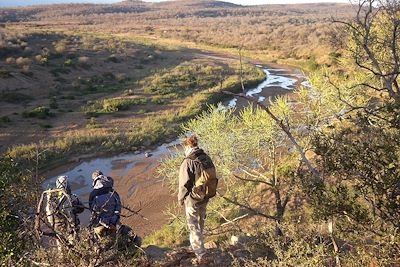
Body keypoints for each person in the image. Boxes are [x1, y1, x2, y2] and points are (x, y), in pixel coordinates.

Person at [178, 135, 217, 265]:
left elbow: (184, 184)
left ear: (187, 146)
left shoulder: (188, 161)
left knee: (193, 224)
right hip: (206, 195)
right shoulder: (205, 157)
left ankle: (200, 252)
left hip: (193, 199)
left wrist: (181, 199)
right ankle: (197, 246)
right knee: (200, 222)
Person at [45, 175, 84, 250]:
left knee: (61, 247)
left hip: (57, 227)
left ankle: (63, 260)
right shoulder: (68, 196)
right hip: (70, 228)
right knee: (75, 248)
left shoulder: (51, 196)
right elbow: (77, 210)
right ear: (66, 184)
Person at [89, 170, 122, 238]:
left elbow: (93, 211)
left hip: (100, 224)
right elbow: (118, 206)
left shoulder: (93, 194)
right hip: (115, 223)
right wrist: (114, 220)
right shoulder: (112, 191)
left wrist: (104, 223)